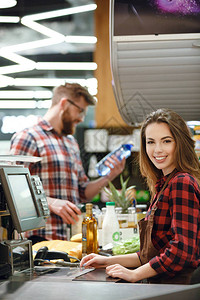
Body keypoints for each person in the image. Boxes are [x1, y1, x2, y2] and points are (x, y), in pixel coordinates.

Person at [80, 108, 200, 285]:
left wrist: (135, 274)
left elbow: (181, 251)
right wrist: (106, 260)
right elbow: (150, 254)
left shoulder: (181, 182)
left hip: (175, 288)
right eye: (150, 142)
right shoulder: (163, 184)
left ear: (180, 143)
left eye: (166, 141)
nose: (157, 149)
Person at [10, 82, 125, 243]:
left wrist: (109, 176)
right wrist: (50, 203)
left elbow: (83, 192)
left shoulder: (71, 142)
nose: (81, 118)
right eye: (80, 111)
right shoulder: (28, 137)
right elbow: (13, 191)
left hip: (72, 240)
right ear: (64, 103)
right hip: (41, 240)